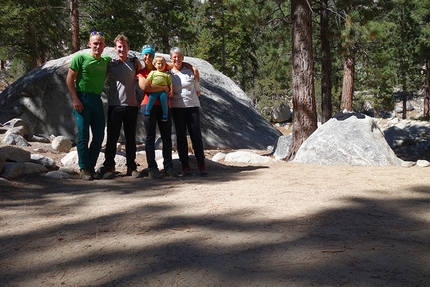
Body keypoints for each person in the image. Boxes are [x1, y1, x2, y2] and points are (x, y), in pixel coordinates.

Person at [137, 45, 200, 179]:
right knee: (150, 137)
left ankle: (168, 166)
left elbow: (178, 62)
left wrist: (193, 67)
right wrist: (164, 87)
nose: (147, 57)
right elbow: (145, 87)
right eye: (145, 55)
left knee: (166, 137)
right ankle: (152, 167)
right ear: (143, 56)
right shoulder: (141, 72)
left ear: (154, 57)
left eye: (149, 54)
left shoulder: (162, 66)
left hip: (164, 106)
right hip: (148, 106)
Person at [66, 31, 111, 181]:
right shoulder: (80, 57)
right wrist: (75, 99)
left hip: (96, 99)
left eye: (100, 43)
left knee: (99, 135)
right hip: (82, 98)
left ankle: (91, 166)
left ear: (104, 45)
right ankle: (84, 167)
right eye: (95, 43)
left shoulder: (105, 60)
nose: (97, 46)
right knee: (83, 134)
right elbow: (70, 78)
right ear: (89, 44)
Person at [96, 34, 142, 180]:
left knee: (130, 138)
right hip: (115, 105)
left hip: (131, 105)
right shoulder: (111, 64)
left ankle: (131, 167)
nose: (122, 49)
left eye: (124, 46)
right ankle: (109, 166)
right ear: (115, 48)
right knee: (112, 138)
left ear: (128, 48)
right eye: (119, 47)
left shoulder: (134, 64)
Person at [168, 47, 207, 176]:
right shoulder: (168, 73)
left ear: (182, 58)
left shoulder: (190, 71)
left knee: (196, 136)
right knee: (181, 137)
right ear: (171, 58)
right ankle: (185, 166)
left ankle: (201, 164)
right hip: (176, 107)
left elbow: (197, 90)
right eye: (174, 57)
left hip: (192, 106)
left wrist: (193, 67)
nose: (177, 59)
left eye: (179, 56)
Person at [144, 56, 172, 122]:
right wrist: (147, 85)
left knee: (164, 102)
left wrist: (171, 91)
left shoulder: (166, 75)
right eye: (159, 63)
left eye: (163, 64)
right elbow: (148, 80)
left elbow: (170, 84)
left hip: (163, 92)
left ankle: (165, 114)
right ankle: (147, 111)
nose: (161, 65)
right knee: (151, 99)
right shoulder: (153, 72)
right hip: (154, 90)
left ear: (165, 65)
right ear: (155, 65)